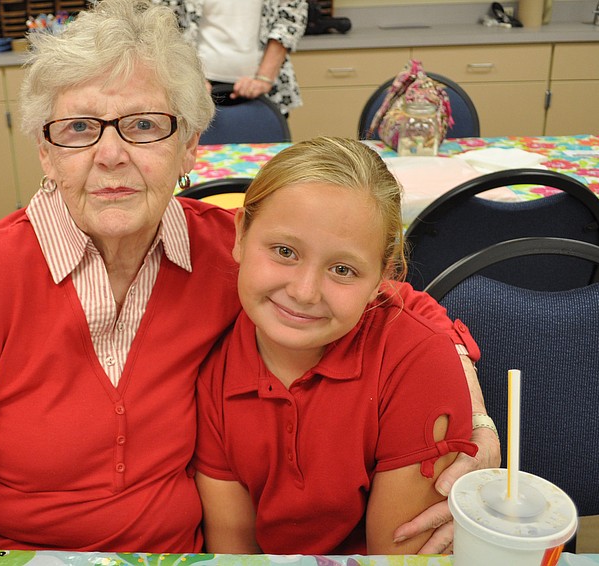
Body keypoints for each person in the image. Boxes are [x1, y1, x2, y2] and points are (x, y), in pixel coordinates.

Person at [0, 2, 498, 565]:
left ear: (189, 146)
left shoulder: (226, 251)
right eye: (78, 128)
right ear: (45, 150)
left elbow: (391, 299)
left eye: (145, 125)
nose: (111, 154)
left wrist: (473, 417)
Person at [194, 137, 479, 556]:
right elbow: (233, 551)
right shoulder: (212, 362)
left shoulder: (417, 362)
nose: (304, 292)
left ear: (382, 277)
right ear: (239, 234)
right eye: (285, 251)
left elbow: (398, 556)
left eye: (343, 270)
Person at [153, 0, 307, 115]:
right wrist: (189, 76)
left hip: (265, 88)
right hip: (193, 87)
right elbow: (160, 18)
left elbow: (292, 16)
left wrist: (264, 79)